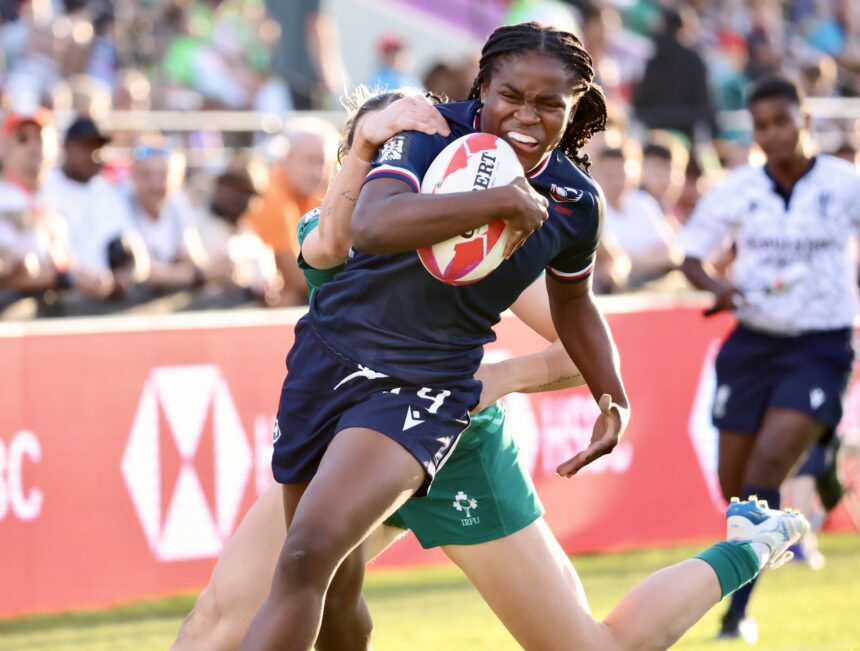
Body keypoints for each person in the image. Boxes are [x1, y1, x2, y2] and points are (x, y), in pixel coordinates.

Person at [175, 87, 808, 651]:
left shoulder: (459, 234)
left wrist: (487, 386)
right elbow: (332, 247)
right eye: (381, 143)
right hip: (352, 434)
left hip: (455, 447)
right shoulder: (333, 220)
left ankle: (745, 544)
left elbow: (574, 352)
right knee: (222, 617)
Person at [679, 75, 859, 643]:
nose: (773, 134)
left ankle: (735, 615)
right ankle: (823, 461)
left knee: (762, 476)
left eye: (783, 121)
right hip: (751, 344)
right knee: (736, 491)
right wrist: (719, 286)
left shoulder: (845, 184)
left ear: (804, 120)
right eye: (761, 126)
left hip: (820, 344)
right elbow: (689, 255)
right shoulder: (738, 190)